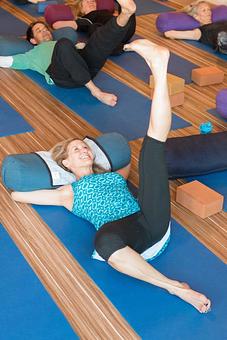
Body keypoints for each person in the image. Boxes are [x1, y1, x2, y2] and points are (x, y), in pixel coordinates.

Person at [11, 37, 211, 313]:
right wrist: (46, 172)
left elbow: (129, 161)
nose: (84, 150)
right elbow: (17, 194)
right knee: (103, 240)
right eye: (76, 149)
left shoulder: (115, 173)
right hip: (123, 235)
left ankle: (160, 66)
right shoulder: (67, 193)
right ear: (66, 162)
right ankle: (173, 287)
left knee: (152, 150)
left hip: (149, 216)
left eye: (85, 147)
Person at [0, 0, 136, 106]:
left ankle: (126, 13)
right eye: (39, 31)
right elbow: (6, 61)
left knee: (97, 39)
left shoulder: (62, 43)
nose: (45, 31)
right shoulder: (31, 55)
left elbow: (74, 54)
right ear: (33, 40)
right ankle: (96, 92)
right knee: (63, 44)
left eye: (45, 29)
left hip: (85, 68)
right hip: (62, 77)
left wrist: (81, 47)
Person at [52, 0, 136, 55]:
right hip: (112, 36)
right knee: (94, 28)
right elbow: (56, 24)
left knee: (127, 11)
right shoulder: (86, 18)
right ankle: (124, 47)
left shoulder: (104, 11)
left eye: (92, 1)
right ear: (81, 9)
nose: (91, 2)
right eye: (87, 2)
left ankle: (127, 10)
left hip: (126, 29)